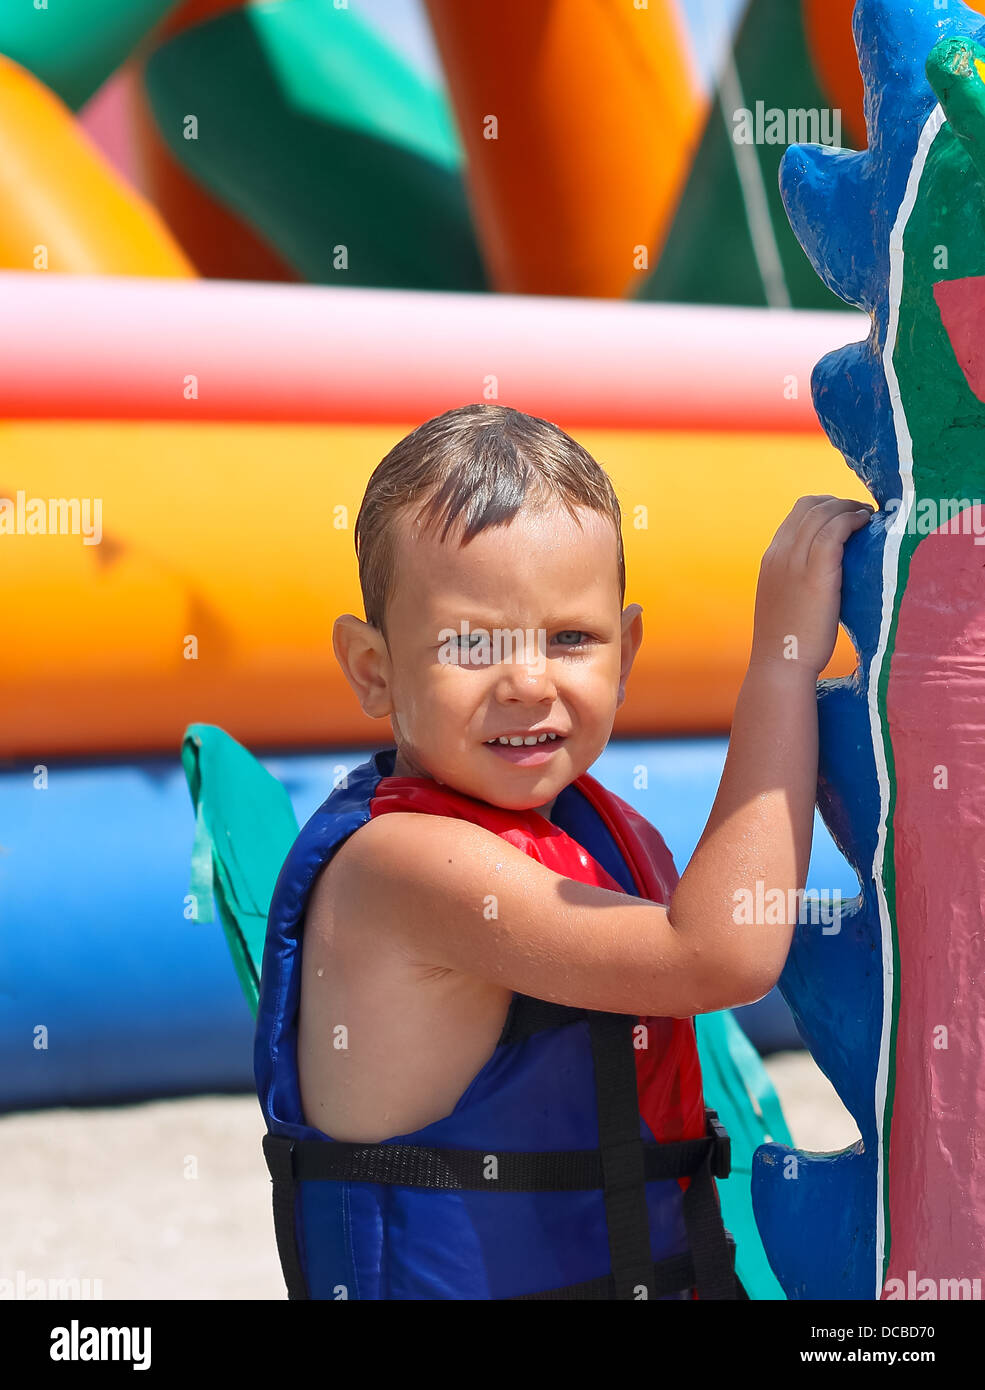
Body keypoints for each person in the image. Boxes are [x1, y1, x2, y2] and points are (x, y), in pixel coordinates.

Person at [256, 402, 873, 1300]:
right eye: (471, 644)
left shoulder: (601, 835)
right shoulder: (403, 868)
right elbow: (719, 954)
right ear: (372, 668)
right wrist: (782, 665)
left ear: (624, 654)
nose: (527, 682)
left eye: (570, 639)